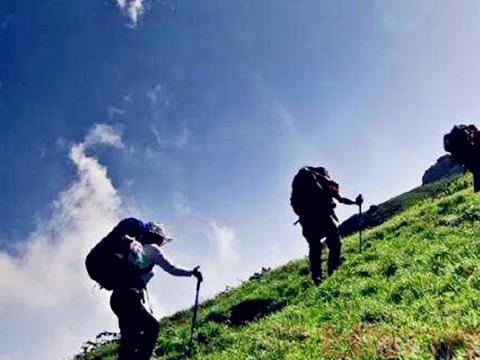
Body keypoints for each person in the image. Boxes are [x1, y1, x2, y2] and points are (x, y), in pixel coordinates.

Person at [105, 218, 203, 360]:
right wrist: (192, 272)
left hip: (117, 298)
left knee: (130, 339)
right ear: (156, 237)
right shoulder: (152, 250)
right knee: (152, 328)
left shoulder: (131, 248)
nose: (161, 243)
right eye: (161, 239)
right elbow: (172, 269)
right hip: (129, 297)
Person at [291, 166, 362, 285]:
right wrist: (356, 202)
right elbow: (341, 199)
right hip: (323, 218)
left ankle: (317, 277)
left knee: (314, 248)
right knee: (335, 243)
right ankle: (332, 271)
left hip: (307, 221)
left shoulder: (305, 184)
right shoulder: (325, 183)